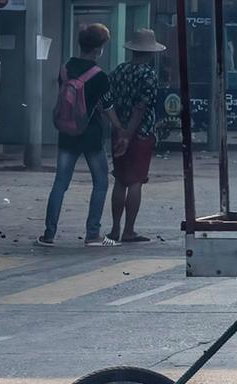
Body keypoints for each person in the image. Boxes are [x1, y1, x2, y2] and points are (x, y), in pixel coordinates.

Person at [41, 23, 122, 247]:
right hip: (91, 135)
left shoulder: (65, 68)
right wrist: (120, 129)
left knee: (60, 183)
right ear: (98, 49)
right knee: (100, 182)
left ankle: (48, 235)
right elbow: (108, 107)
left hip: (66, 133)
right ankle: (93, 234)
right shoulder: (100, 76)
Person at [107, 27, 166, 244]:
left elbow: (108, 100)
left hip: (117, 129)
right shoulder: (148, 75)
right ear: (151, 52)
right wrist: (129, 134)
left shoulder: (119, 70)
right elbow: (141, 108)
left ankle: (114, 229)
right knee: (136, 181)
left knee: (120, 179)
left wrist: (120, 131)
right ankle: (129, 230)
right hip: (140, 134)